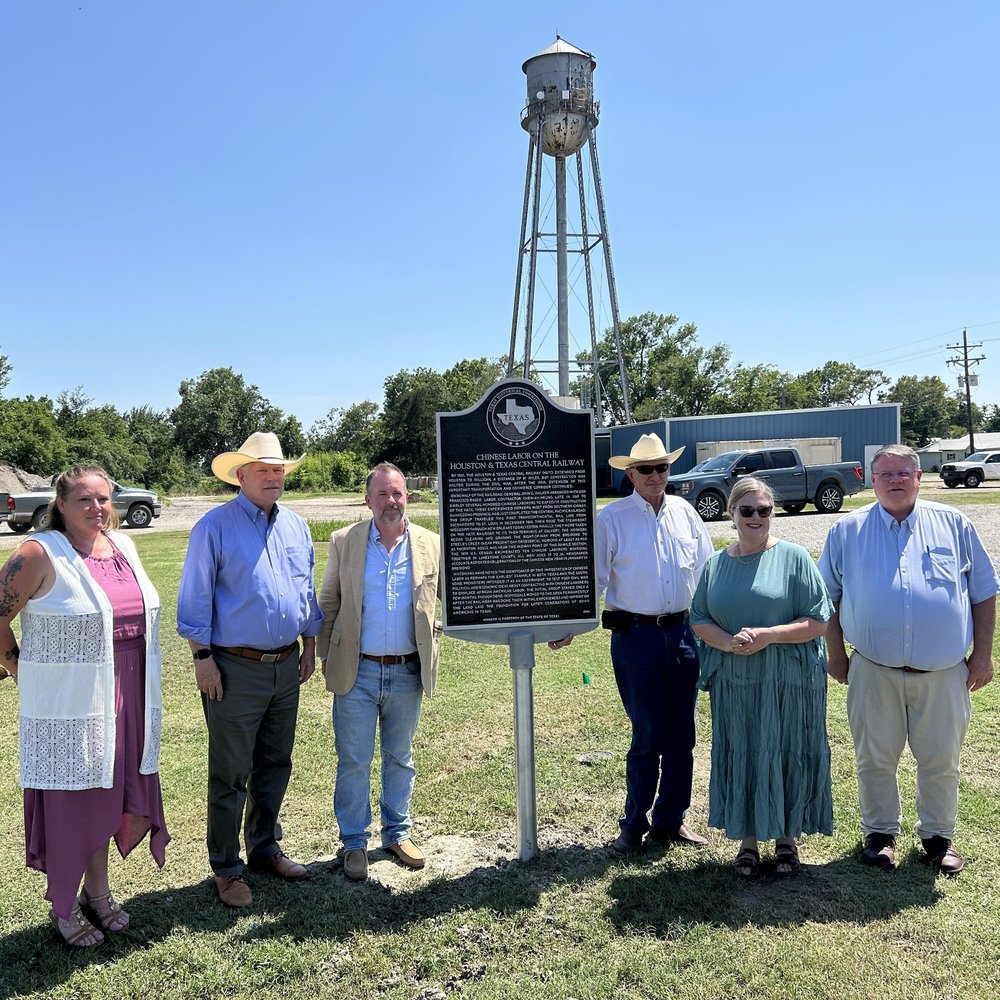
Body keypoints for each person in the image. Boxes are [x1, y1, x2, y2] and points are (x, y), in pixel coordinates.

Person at [0, 466, 169, 947]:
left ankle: (99, 892)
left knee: (109, 794)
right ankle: (64, 903)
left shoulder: (123, 546)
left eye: (104, 499)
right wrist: (17, 665)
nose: (98, 508)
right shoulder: (38, 551)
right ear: (61, 505)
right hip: (72, 698)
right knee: (76, 797)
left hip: (131, 689)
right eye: (85, 500)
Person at [819, 444, 998, 875]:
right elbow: (828, 597)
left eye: (904, 473)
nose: (895, 480)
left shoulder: (953, 523)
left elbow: (984, 591)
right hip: (873, 668)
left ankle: (938, 838)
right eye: (886, 474)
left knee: (941, 758)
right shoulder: (848, 530)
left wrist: (984, 656)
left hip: (944, 671)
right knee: (874, 757)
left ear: (919, 478)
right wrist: (837, 655)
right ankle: (880, 834)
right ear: (871, 480)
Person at [177, 431, 323, 907]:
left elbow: (305, 593)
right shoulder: (213, 528)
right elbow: (195, 599)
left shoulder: (297, 527)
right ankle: (226, 867)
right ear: (240, 476)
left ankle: (264, 847)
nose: (274, 477)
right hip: (233, 668)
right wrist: (203, 660)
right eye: (264, 470)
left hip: (286, 665)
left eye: (279, 470)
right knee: (230, 772)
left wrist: (310, 643)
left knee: (275, 763)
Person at [552, 433, 714, 854]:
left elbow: (706, 571)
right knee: (647, 735)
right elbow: (596, 578)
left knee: (683, 735)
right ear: (630, 474)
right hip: (636, 638)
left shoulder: (685, 512)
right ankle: (633, 825)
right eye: (646, 469)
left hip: (683, 636)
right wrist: (573, 623)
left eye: (662, 467)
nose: (656, 475)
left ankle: (671, 821)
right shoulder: (612, 518)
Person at [690, 478, 833, 877]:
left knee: (787, 747)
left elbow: (819, 620)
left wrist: (768, 636)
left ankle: (787, 839)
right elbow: (699, 617)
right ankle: (748, 841)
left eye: (764, 510)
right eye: (747, 510)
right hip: (736, 679)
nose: (757, 517)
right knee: (745, 749)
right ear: (731, 514)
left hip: (787, 679)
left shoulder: (795, 557)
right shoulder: (716, 564)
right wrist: (729, 643)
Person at [317, 462, 441, 882]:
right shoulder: (345, 542)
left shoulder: (431, 544)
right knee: (353, 760)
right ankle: (354, 842)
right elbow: (329, 602)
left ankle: (397, 832)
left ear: (408, 497)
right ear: (368, 500)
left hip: (408, 672)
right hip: (358, 671)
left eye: (398, 493)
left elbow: (450, 601)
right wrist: (322, 656)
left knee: (400, 758)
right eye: (383, 494)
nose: (391, 502)